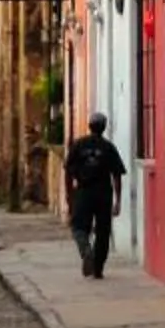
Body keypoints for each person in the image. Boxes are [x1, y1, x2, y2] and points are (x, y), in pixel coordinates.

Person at [64, 112, 126, 279]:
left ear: (89, 125)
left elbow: (68, 172)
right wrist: (118, 200)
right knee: (103, 231)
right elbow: (117, 175)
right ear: (104, 127)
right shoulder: (109, 147)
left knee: (78, 227)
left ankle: (85, 250)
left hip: (83, 191)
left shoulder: (78, 145)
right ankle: (98, 269)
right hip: (104, 193)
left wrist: (69, 195)